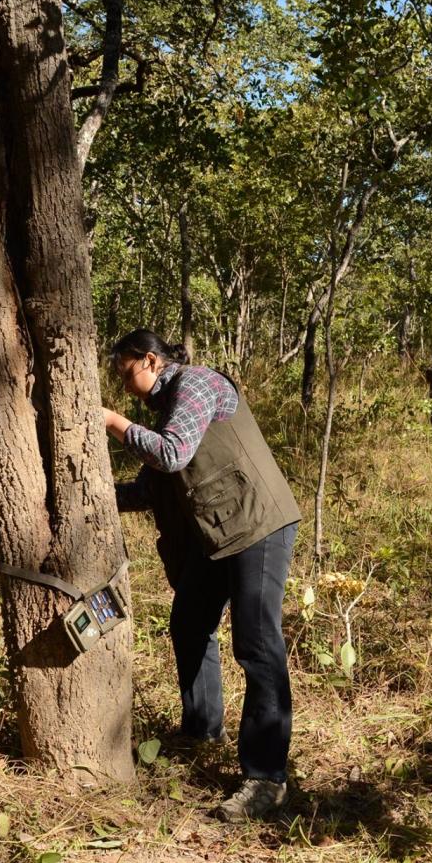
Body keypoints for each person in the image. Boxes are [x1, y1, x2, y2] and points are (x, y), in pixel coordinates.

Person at [103, 329, 301, 821]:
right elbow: (152, 488)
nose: (122, 382)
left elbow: (172, 454)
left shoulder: (195, 385)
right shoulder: (168, 407)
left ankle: (266, 778)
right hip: (217, 535)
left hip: (258, 525)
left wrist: (113, 424)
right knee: (190, 622)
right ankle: (201, 731)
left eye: (125, 370)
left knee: (256, 644)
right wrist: (90, 495)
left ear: (150, 360)